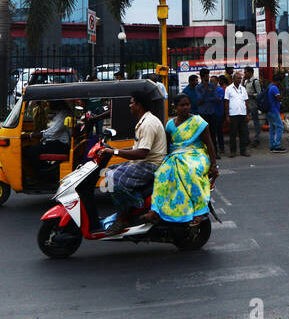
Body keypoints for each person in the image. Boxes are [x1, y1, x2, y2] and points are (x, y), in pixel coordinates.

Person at [103, 92, 168, 234]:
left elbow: (142, 153)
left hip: (151, 165)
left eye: (132, 103)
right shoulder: (143, 122)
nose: (130, 105)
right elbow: (136, 148)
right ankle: (128, 208)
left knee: (114, 178)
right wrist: (113, 149)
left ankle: (127, 213)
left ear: (139, 105)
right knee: (107, 172)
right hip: (142, 161)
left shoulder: (148, 124)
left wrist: (114, 152)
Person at [150, 94, 219, 225]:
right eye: (182, 105)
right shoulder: (170, 125)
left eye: (187, 104)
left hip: (197, 155)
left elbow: (209, 144)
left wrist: (213, 164)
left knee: (192, 172)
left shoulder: (199, 123)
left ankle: (200, 211)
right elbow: (167, 146)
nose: (186, 107)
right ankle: (157, 210)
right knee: (161, 174)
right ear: (175, 107)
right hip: (176, 156)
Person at [24, 100, 71, 175]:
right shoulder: (60, 114)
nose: (49, 105)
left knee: (31, 151)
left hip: (61, 145)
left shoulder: (63, 114)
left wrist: (32, 135)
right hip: (57, 142)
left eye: (50, 103)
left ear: (57, 103)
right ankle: (44, 170)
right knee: (31, 149)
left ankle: (40, 175)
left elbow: (53, 131)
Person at [224, 72, 250, 157]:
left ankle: (243, 151)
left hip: (242, 114)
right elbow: (226, 103)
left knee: (243, 134)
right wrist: (227, 116)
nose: (239, 80)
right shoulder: (228, 89)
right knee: (233, 134)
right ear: (233, 79)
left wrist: (247, 114)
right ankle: (233, 151)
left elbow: (246, 102)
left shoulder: (243, 89)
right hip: (233, 114)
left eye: (240, 78)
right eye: (238, 78)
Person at [261, 74, 286, 153]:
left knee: (272, 128)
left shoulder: (269, 86)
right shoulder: (274, 88)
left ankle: (272, 146)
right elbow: (278, 98)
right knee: (280, 127)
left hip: (269, 111)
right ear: (278, 81)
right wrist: (282, 92)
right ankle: (277, 145)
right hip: (274, 111)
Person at [244, 68, 263, 147]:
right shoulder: (246, 82)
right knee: (245, 121)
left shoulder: (255, 81)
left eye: (246, 72)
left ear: (250, 72)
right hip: (246, 105)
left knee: (256, 121)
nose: (244, 74)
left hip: (254, 105)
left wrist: (251, 95)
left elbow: (259, 94)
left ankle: (257, 138)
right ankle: (247, 138)